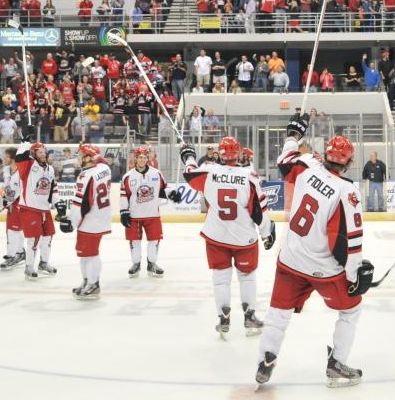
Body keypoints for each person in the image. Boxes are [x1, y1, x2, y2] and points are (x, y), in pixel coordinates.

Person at [255, 113, 374, 388]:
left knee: (277, 314)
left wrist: (293, 135)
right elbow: (348, 241)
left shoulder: (306, 163)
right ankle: (336, 364)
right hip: (324, 269)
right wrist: (355, 276)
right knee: (351, 310)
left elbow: (283, 160)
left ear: (324, 154)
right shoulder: (347, 191)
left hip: (290, 259)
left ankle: (265, 360)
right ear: (349, 162)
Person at [177, 135, 274, 337]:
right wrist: (266, 233)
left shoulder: (209, 172)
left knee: (221, 278)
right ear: (238, 153)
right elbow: (260, 210)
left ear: (220, 154)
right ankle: (249, 317)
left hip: (216, 235)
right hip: (244, 237)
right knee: (247, 277)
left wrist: (189, 156)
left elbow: (190, 173)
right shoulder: (250, 177)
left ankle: (223, 318)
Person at [59, 144, 112, 300]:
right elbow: (102, 160)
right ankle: (87, 281)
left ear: (89, 158)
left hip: (90, 220)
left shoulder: (85, 176)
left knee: (91, 254)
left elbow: (81, 203)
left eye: (81, 155)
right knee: (85, 254)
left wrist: (71, 222)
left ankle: (94, 284)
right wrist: (92, 153)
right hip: (101, 217)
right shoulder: (105, 169)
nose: (78, 157)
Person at [120, 146, 168, 277]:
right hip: (134, 215)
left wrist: (173, 193)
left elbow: (164, 189)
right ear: (135, 158)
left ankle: (152, 264)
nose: (142, 160)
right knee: (134, 242)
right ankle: (136, 264)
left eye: (144, 157)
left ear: (148, 158)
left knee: (154, 241)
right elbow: (124, 195)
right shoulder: (127, 176)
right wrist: (123, 211)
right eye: (140, 157)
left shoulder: (157, 174)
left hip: (153, 214)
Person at [15, 142, 58, 281]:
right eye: (40, 152)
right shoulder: (28, 166)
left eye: (44, 151)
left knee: (48, 237)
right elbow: (19, 157)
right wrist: (26, 143)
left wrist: (58, 203)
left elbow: (53, 189)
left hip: (45, 209)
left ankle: (44, 263)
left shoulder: (50, 169)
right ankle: (29, 267)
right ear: (33, 154)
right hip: (30, 208)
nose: (43, 154)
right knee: (34, 239)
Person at [0, 148, 26, 270]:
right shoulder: (5, 170)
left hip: (19, 204)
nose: (4, 158)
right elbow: (6, 186)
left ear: (13, 158)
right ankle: (20, 253)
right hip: (11, 203)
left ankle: (11, 256)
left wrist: (10, 200)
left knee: (12, 230)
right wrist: (4, 197)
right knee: (15, 230)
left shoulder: (21, 171)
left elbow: (21, 190)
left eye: (6, 156)